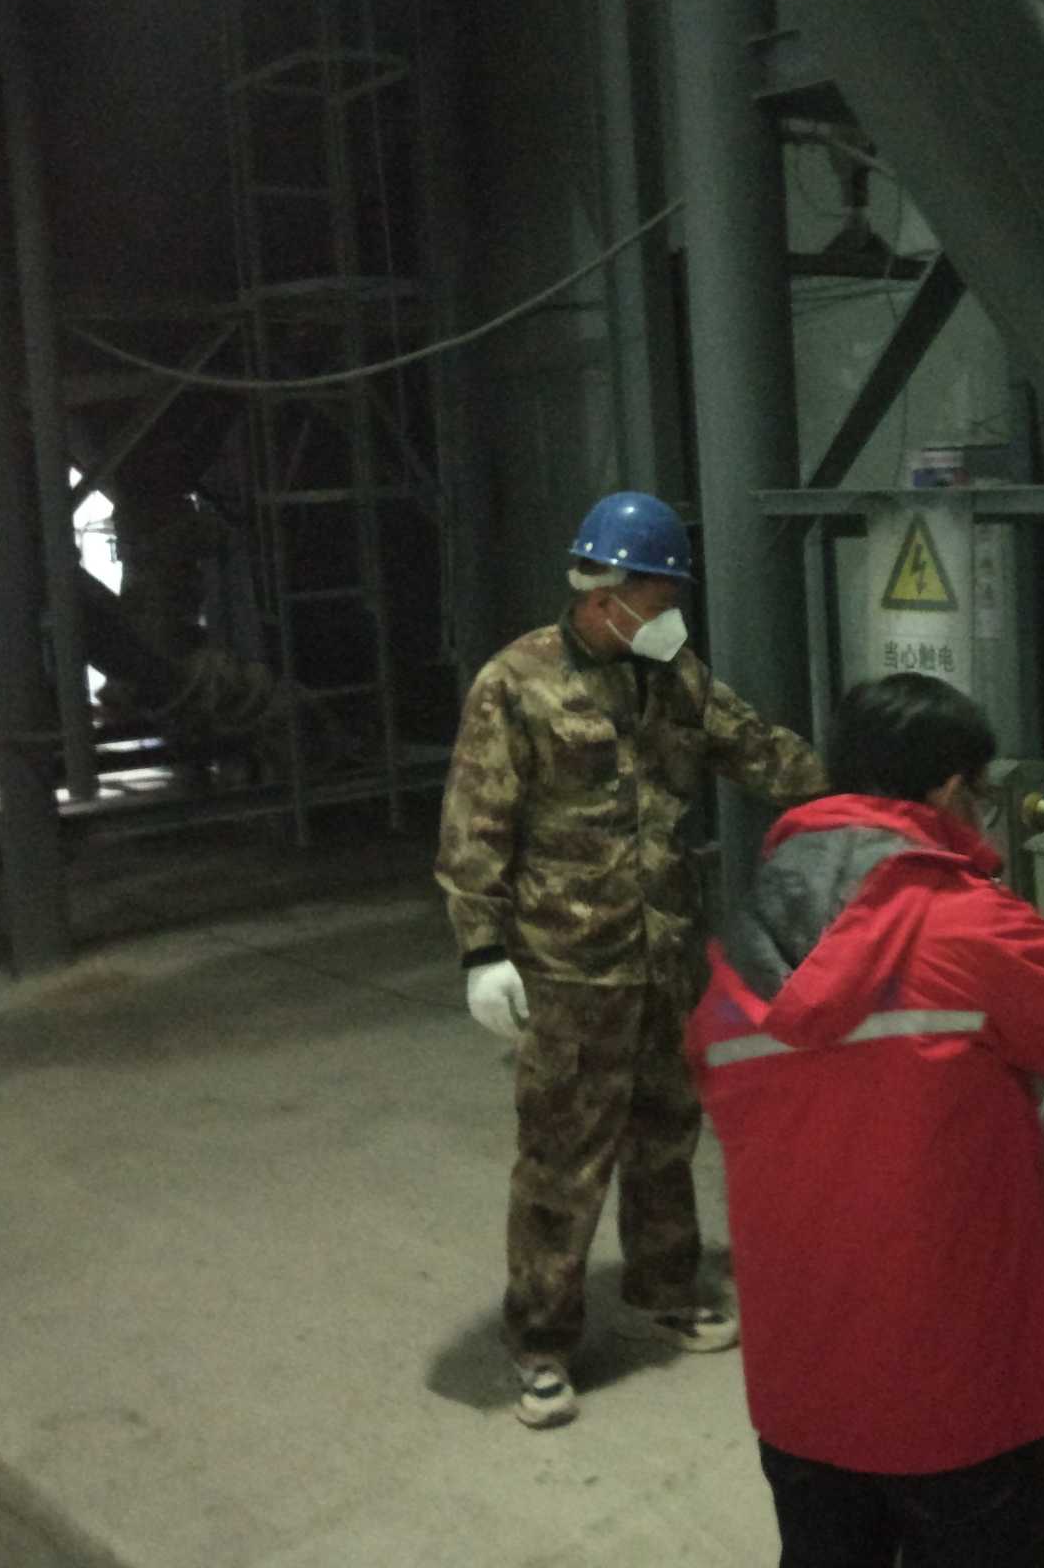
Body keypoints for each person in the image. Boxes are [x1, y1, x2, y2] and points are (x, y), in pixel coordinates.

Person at [688, 673, 1044, 1567]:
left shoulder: (743, 942)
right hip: (956, 1384)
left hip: (803, 1379)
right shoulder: (963, 927)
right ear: (952, 790)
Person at [436, 489, 828, 1429]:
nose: (670, 615)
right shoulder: (515, 683)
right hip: (570, 966)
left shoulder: (672, 673)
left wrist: (861, 789)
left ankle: (664, 1287)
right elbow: (474, 824)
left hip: (664, 954)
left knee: (666, 1135)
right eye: (659, 597)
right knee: (563, 1160)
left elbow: (754, 748)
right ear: (603, 591)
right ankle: (540, 1341)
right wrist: (481, 949)